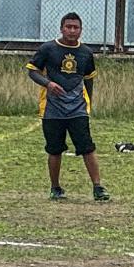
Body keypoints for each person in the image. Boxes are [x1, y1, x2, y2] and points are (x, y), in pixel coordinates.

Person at [27, 11, 109, 202]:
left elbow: (89, 80)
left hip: (77, 109)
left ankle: (98, 187)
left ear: (81, 30)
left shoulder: (86, 53)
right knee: (54, 149)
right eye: (68, 27)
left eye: (76, 27)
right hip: (52, 109)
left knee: (87, 148)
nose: (72, 31)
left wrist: (89, 103)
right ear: (62, 28)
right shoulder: (48, 49)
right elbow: (32, 71)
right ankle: (55, 187)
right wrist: (48, 84)